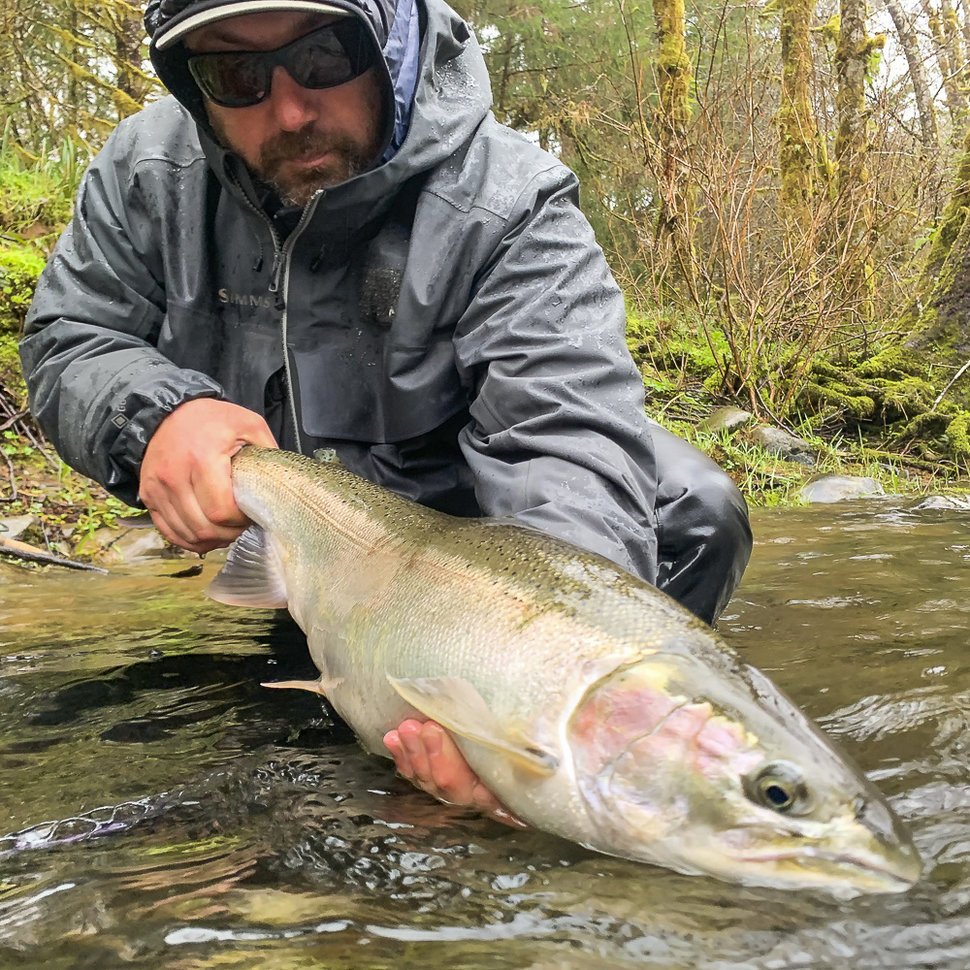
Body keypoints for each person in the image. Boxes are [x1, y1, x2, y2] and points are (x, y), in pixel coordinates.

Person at [20, 0, 752, 820]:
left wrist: (533, 704)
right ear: (192, 84)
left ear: (391, 40)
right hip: (296, 527)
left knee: (693, 512)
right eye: (237, 73)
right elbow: (71, 335)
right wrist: (153, 415)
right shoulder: (147, 173)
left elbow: (565, 430)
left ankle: (620, 751)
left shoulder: (512, 202)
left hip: (471, 532)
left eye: (327, 54)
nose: (292, 111)